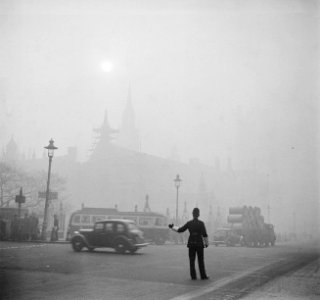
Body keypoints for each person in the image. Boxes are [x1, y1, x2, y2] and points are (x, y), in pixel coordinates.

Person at [169, 207, 209, 280]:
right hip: (199, 243)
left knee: (192, 261)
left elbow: (180, 230)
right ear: (198, 214)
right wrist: (206, 243)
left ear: (192, 214)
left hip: (191, 243)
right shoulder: (201, 223)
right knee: (200, 260)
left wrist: (172, 227)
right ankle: (203, 276)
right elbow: (204, 234)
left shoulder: (189, 223)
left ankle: (193, 276)